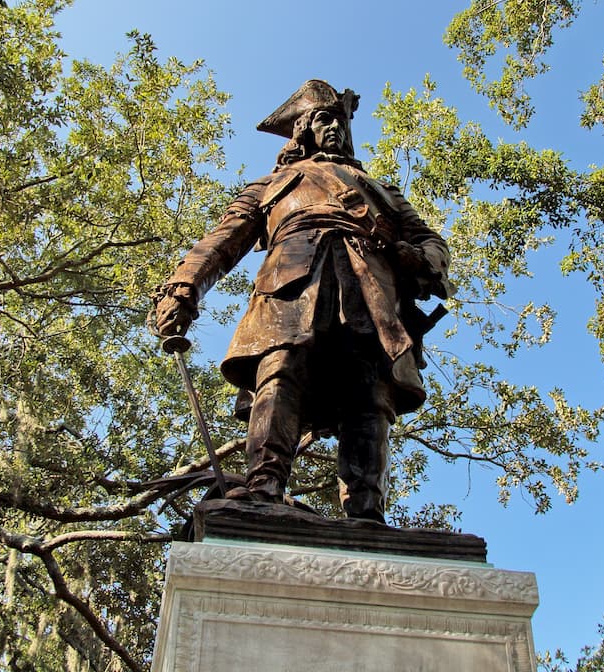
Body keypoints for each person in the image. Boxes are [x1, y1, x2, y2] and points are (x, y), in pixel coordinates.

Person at [153, 80, 451, 522]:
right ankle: (264, 487)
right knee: (280, 371)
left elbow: (432, 243)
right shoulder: (273, 184)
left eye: (339, 122)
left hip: (371, 289)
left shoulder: (384, 192)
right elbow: (221, 243)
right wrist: (183, 288)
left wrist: (419, 258)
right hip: (291, 283)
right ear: (303, 131)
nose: (335, 129)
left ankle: (368, 510)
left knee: (368, 392)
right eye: (324, 120)